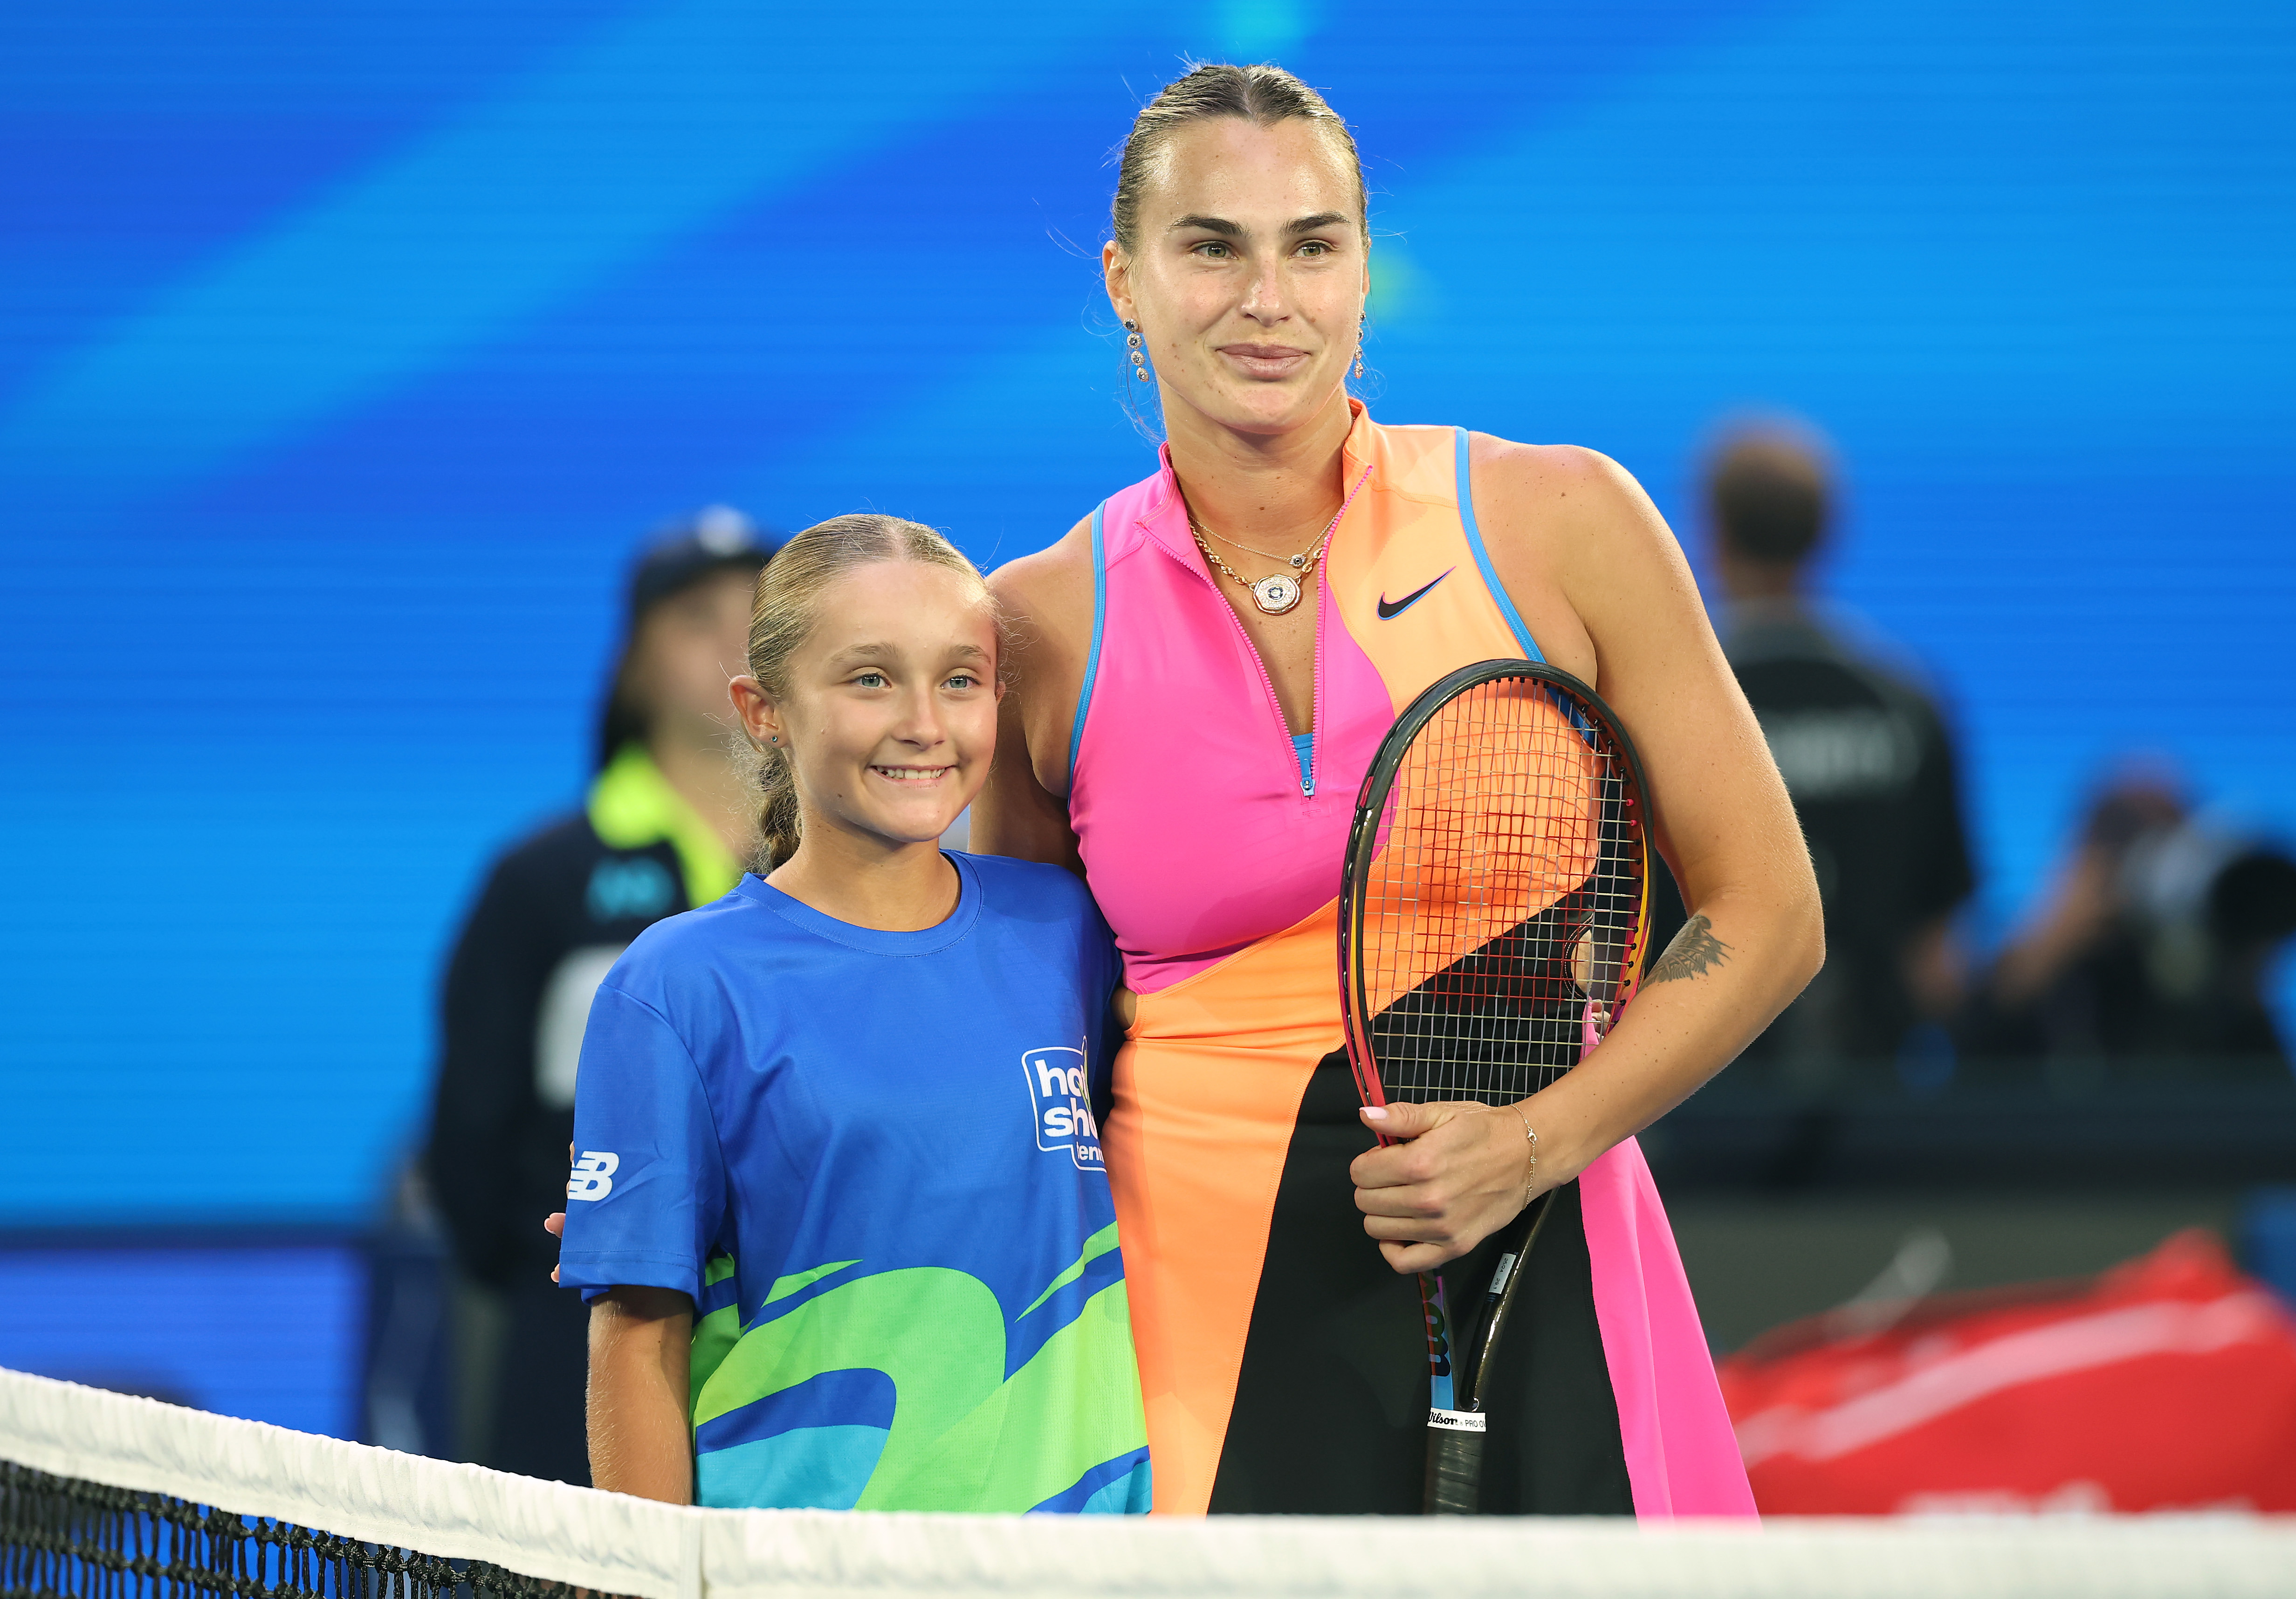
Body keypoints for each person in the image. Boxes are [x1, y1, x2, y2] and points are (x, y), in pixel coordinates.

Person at [976, 64, 1822, 1516]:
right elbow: (1011, 1045)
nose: (1267, 298)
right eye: (1210, 245)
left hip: (1543, 1248)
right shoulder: (1030, 628)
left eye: (1312, 244)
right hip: (1190, 1320)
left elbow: (1768, 915)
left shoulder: (1558, 523)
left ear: (1365, 269)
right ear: (1124, 280)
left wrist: (1531, 1143)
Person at [555, 515, 1150, 1513]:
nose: (923, 720)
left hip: (1082, 1566)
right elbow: (635, 1333)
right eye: (869, 677)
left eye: (960, 678)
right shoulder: (677, 984)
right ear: (763, 710)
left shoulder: (1070, 930)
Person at [427, 508, 771, 1482]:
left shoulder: (859, 875)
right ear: (632, 667)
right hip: (575, 1360)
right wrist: (576, 1287)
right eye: (697, 616)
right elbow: (469, 1147)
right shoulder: (538, 879)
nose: (735, 637)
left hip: (795, 1353)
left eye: (761, 610)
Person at [1701, 426, 1978, 1087]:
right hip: (1873, 1091)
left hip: (1705, 1090)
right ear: (1825, 533)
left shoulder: (1681, 699)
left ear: (1714, 537)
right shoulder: (1904, 699)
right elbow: (1937, 951)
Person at [1964, 763, 2296, 1079]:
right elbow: (1964, 1074)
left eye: (2169, 837)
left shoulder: (2199, 984)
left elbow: (2283, 1114)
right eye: (2126, 833)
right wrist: (2049, 945)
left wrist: (2244, 974)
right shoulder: (2050, 977)